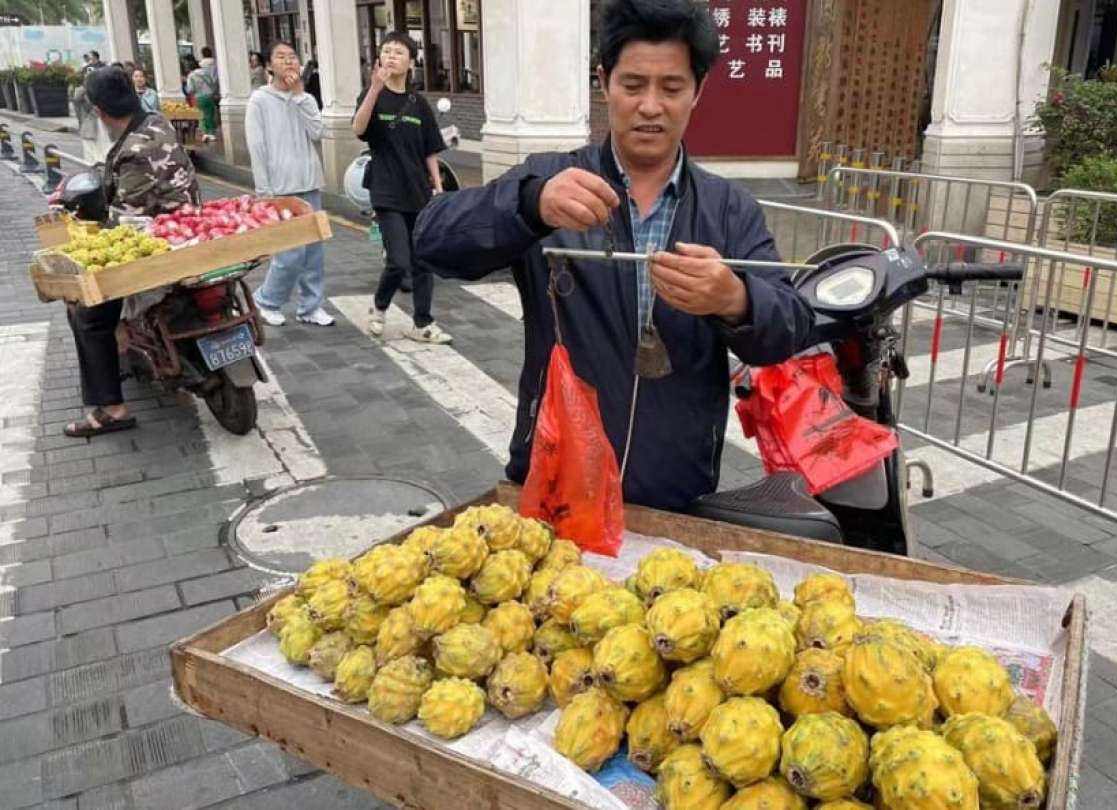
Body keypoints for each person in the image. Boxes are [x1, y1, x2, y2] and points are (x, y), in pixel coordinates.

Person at [414, 0, 813, 512]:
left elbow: (789, 327)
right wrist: (529, 204)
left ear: (698, 90)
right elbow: (431, 241)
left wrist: (736, 298)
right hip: (556, 479)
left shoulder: (728, 209)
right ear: (603, 82)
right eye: (632, 85)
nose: (651, 106)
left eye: (671, 88)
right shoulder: (553, 179)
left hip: (678, 487)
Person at [63, 67, 200, 438]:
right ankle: (125, 341)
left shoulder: (133, 151)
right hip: (193, 228)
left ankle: (111, 407)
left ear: (100, 111)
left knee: (86, 312)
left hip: (160, 246)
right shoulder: (156, 122)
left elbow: (126, 225)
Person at [353, 31, 450, 343]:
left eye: (398, 52)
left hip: (418, 192)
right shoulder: (373, 95)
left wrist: (438, 188)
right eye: (386, 51)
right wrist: (374, 89)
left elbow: (429, 150)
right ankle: (379, 308)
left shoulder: (418, 104)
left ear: (411, 61)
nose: (391, 56)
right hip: (386, 191)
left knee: (423, 261)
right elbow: (358, 128)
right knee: (398, 261)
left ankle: (422, 323)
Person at [246, 40, 334, 327]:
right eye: (281, 57)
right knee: (290, 253)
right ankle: (267, 299)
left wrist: (300, 96)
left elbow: (318, 131)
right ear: (269, 66)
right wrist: (264, 192)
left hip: (309, 182)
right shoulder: (260, 100)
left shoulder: (303, 99)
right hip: (281, 188)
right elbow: (257, 147)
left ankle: (311, 306)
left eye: (293, 57)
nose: (289, 62)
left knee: (314, 252)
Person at [186, 46, 220, 142]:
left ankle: (205, 133)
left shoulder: (191, 75)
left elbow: (190, 89)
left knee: (202, 115)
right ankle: (212, 133)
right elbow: (212, 82)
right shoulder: (205, 72)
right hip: (209, 96)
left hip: (199, 97)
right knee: (210, 114)